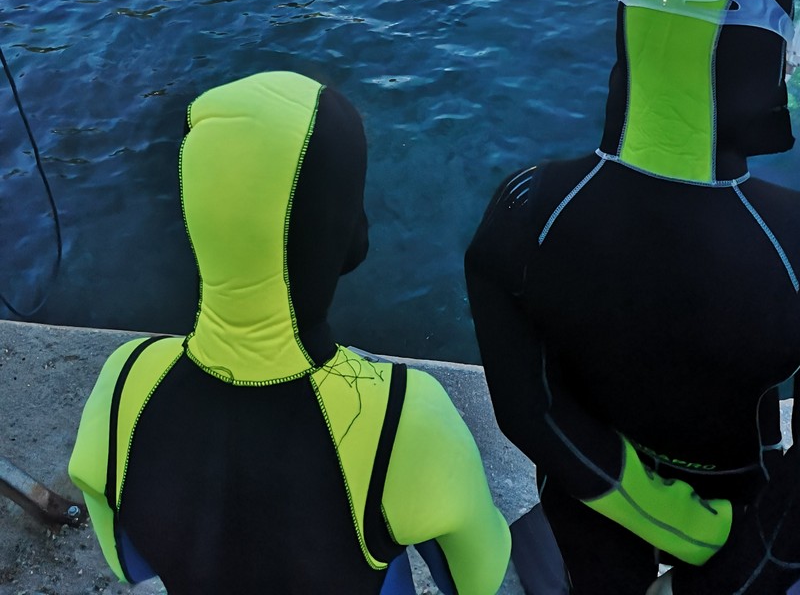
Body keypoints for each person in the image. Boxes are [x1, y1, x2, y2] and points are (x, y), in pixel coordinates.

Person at [465, 0, 800, 595]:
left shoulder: (531, 209)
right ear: (764, 61)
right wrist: (714, 552)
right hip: (741, 512)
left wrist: (653, 512)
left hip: (585, 493)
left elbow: (529, 408)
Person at [70, 71, 511, 595]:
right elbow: (475, 580)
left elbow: (129, 564)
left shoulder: (124, 384)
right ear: (345, 231)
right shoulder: (405, 416)